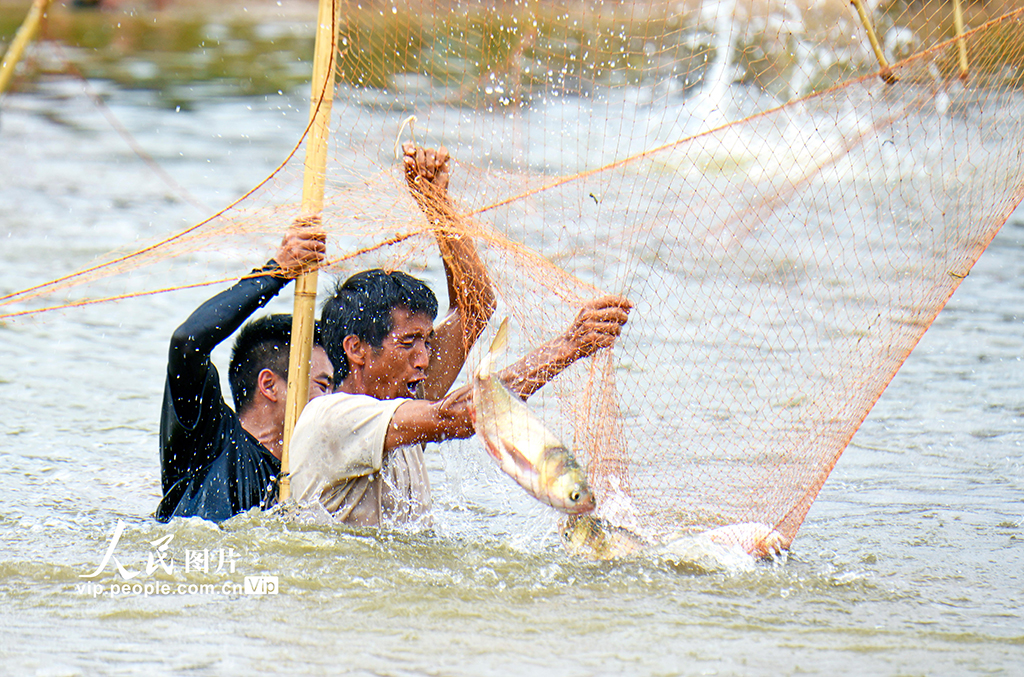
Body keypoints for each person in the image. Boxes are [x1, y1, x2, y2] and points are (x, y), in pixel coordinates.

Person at [288, 144, 632, 527]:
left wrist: (437, 204)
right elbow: (460, 417)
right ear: (357, 350)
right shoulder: (332, 417)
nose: (423, 359)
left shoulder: (406, 397)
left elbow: (476, 305)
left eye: (427, 342)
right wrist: (569, 346)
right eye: (408, 343)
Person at [155, 221, 332, 523]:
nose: (333, 399)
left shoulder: (314, 475)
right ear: (269, 385)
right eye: (323, 385)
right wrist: (276, 272)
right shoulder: (209, 440)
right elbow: (188, 343)